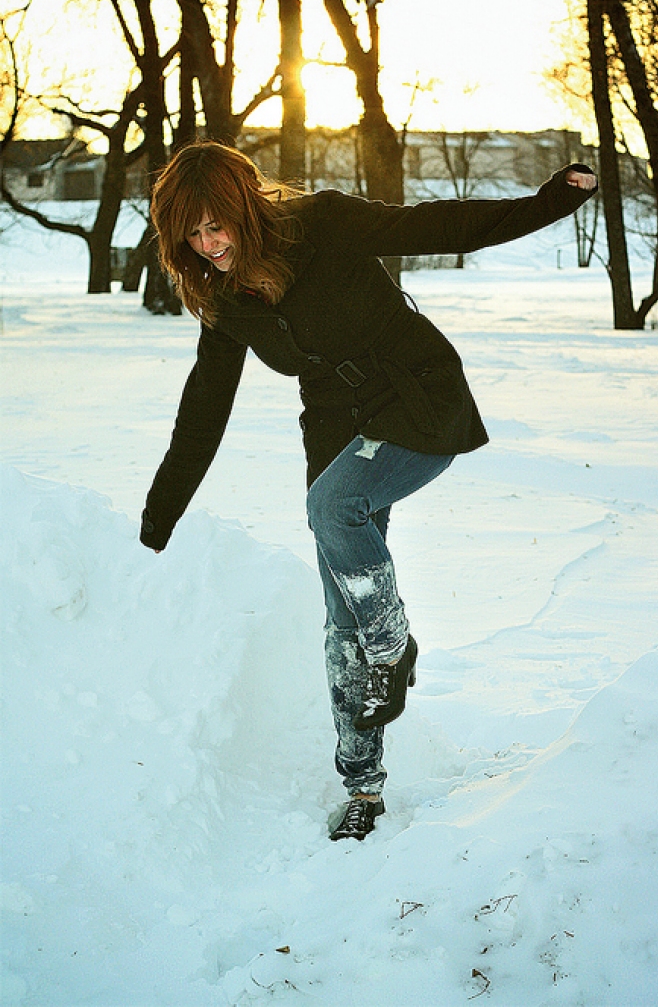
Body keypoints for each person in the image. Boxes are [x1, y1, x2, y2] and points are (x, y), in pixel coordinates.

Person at [139, 140, 597, 841]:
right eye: (191, 235)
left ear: (246, 209)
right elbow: (204, 406)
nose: (209, 246)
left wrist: (551, 200)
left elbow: (439, 225)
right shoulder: (226, 300)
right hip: (335, 431)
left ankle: (393, 644)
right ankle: (362, 785)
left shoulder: (322, 223)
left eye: (215, 225)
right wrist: (159, 516)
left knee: (332, 510)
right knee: (340, 618)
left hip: (416, 399)